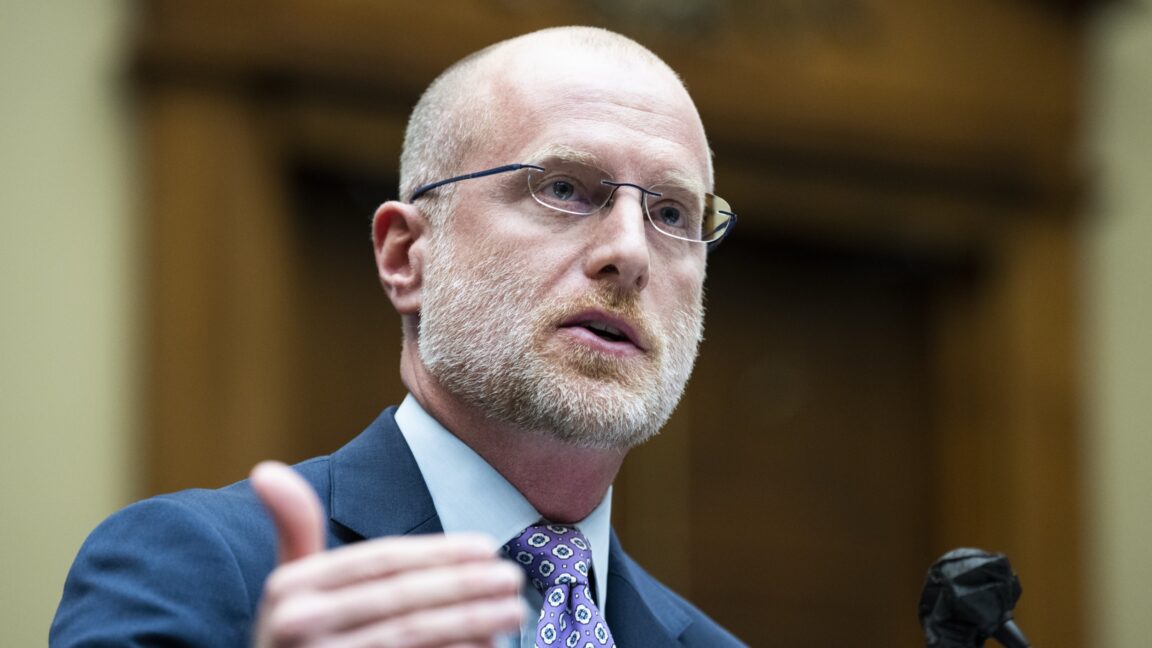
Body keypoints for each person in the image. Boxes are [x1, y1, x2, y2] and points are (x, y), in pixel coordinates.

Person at [51, 25, 740, 647]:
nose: (631, 251)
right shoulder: (192, 568)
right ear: (406, 257)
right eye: (563, 188)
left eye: (672, 211)